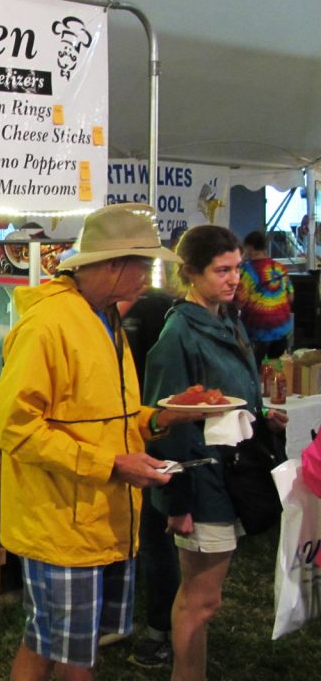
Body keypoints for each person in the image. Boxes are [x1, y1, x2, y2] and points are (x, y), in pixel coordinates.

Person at [0, 203, 198, 681]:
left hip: (97, 521)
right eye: (144, 265)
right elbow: (20, 428)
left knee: (62, 645)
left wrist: (164, 417)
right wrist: (110, 465)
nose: (150, 277)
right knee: (62, 649)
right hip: (61, 524)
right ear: (112, 265)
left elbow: (108, 416)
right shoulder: (48, 325)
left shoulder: (103, 320)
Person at [142, 225, 288, 681]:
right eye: (221, 270)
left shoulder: (227, 318)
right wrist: (178, 502)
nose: (233, 279)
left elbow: (226, 397)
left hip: (229, 474)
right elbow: (164, 424)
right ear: (190, 274)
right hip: (202, 479)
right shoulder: (177, 335)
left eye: (236, 269)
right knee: (200, 601)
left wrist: (260, 418)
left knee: (206, 600)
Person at [119, 286, 181, 669]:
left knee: (158, 540)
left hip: (156, 436)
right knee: (150, 538)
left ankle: (161, 632)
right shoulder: (106, 316)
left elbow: (157, 388)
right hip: (140, 432)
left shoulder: (160, 313)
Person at [234, 230, 293, 368]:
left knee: (256, 372)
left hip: (257, 331)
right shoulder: (280, 268)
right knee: (277, 371)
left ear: (250, 248)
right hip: (282, 329)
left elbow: (241, 301)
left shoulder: (246, 271)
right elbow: (290, 296)